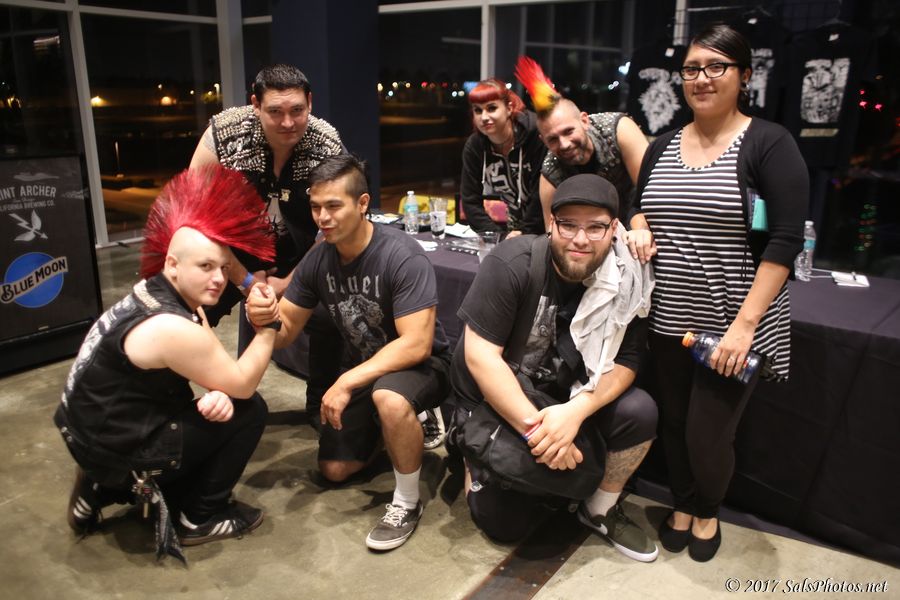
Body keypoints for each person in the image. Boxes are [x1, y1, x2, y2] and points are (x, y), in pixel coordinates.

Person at [628, 24, 808, 562]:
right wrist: (638, 225)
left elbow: (785, 240)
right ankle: (683, 504)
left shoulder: (768, 144)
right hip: (668, 319)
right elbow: (638, 204)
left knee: (708, 435)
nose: (701, 78)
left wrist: (744, 327)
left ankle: (707, 510)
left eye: (716, 67)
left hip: (733, 324)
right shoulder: (662, 145)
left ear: (744, 75)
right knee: (675, 423)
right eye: (691, 69)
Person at [53, 166, 280, 559]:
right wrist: (269, 327)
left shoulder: (152, 292)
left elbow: (211, 361)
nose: (218, 279)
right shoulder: (171, 326)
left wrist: (219, 390)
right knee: (250, 409)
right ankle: (199, 517)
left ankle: (100, 484)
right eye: (205, 267)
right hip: (113, 447)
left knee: (223, 402)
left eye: (223, 268)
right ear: (173, 264)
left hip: (90, 435)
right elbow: (242, 384)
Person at [448, 173, 659, 562]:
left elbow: (628, 361)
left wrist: (574, 413)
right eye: (568, 225)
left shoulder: (628, 279)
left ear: (614, 228)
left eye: (595, 227)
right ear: (551, 223)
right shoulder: (513, 262)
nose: (581, 239)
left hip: (565, 399)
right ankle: (472, 458)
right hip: (500, 399)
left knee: (639, 411)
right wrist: (538, 434)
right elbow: (480, 357)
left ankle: (599, 509)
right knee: (504, 525)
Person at [246, 154, 451, 552]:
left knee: (390, 397)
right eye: (315, 207)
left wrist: (345, 381)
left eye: (333, 206)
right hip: (371, 370)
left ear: (362, 204)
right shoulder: (318, 259)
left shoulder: (401, 255)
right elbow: (285, 333)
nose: (322, 217)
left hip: (425, 366)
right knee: (335, 470)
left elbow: (416, 344)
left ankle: (406, 502)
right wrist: (264, 318)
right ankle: (393, 428)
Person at [189, 63, 345, 425]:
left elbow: (336, 227)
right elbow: (197, 220)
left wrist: (288, 282)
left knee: (329, 314)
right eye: (275, 111)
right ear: (255, 104)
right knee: (184, 313)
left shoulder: (327, 143)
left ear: (310, 103)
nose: (288, 122)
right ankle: (187, 401)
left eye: (297, 110)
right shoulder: (222, 136)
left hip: (299, 257)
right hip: (229, 253)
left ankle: (320, 406)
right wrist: (246, 281)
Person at [514, 56, 648, 232]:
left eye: (568, 131)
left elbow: (651, 192)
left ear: (584, 121)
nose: (564, 144)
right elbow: (552, 234)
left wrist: (640, 230)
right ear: (543, 140)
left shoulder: (619, 129)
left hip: (639, 230)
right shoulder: (550, 173)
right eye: (553, 139)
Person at [459, 78, 546, 236]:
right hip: (514, 225)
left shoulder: (536, 136)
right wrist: (498, 236)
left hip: (548, 225)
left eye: (491, 108)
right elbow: (470, 201)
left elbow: (540, 196)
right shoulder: (475, 147)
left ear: (509, 108)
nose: (484, 117)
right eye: (478, 110)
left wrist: (524, 233)